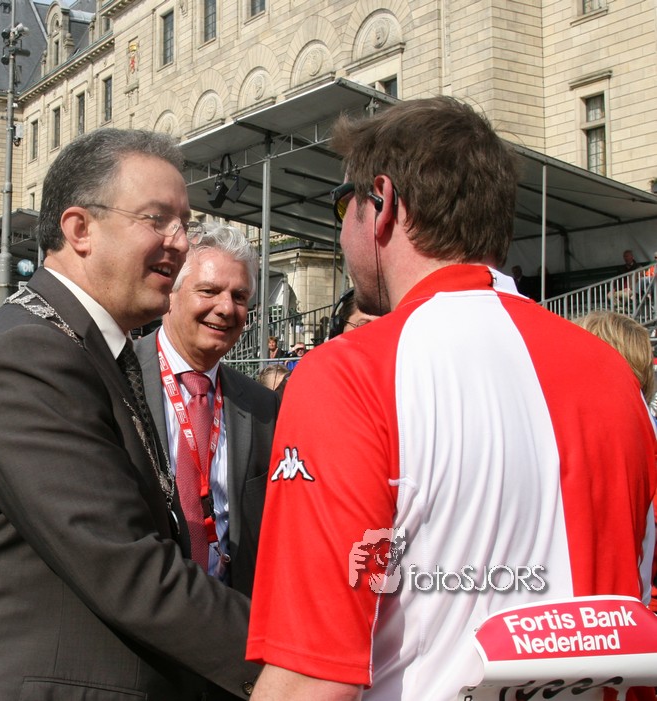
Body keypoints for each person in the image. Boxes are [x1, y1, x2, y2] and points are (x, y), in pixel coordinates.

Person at [247, 97, 657, 701]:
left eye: (342, 204)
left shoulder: (350, 372)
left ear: (382, 203)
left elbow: (310, 679)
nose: (339, 228)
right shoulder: (614, 374)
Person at [0, 129, 260, 701]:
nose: (180, 242)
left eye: (184, 224)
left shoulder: (83, 345)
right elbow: (125, 565)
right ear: (80, 229)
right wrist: (292, 660)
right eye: (157, 219)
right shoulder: (28, 355)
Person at [134, 223, 279, 600]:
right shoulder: (118, 379)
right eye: (209, 291)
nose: (226, 308)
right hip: (140, 612)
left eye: (239, 296)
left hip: (234, 614)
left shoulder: (263, 407)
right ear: (171, 292)